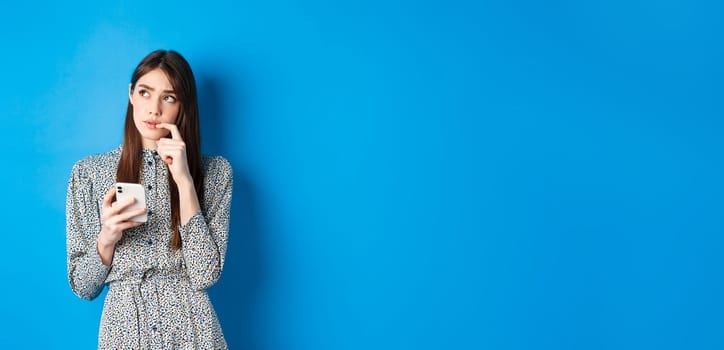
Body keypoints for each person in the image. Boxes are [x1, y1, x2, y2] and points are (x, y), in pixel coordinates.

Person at [66, 50, 233, 349]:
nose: (154, 109)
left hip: (193, 331)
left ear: (183, 107)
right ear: (131, 94)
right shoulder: (89, 174)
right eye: (145, 92)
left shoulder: (215, 173)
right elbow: (82, 286)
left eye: (169, 97)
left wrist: (183, 180)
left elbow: (205, 274)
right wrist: (107, 239)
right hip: (125, 331)